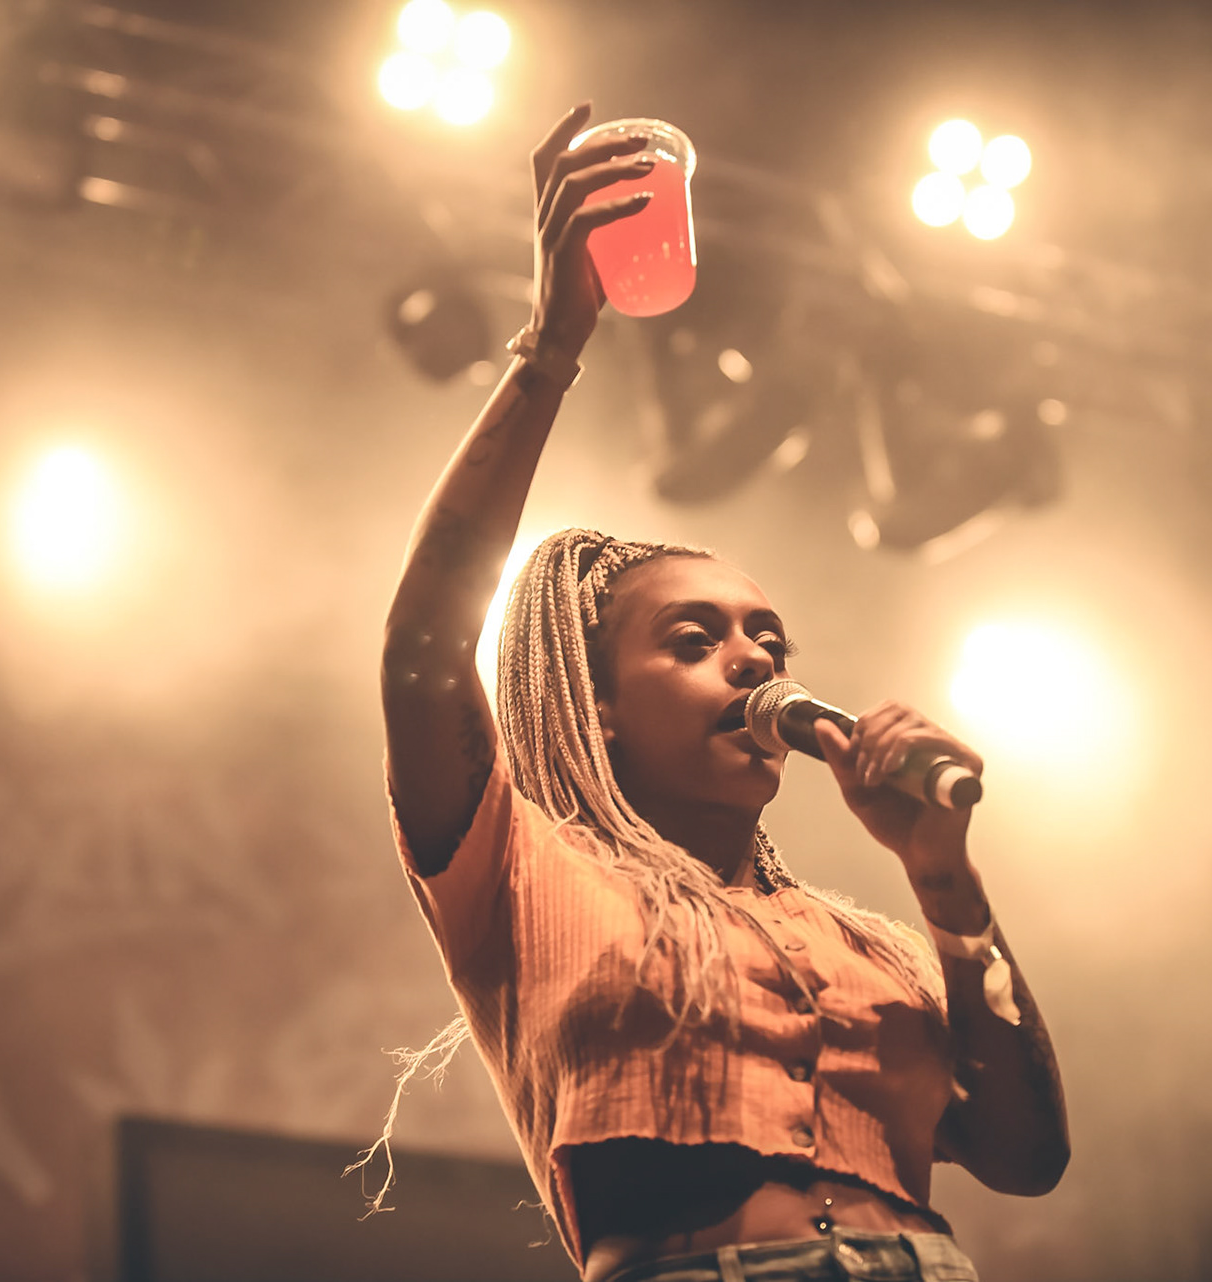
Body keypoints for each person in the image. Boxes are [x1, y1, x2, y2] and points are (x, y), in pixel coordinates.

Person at [376, 102, 1069, 1282]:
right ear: (596, 705)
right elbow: (422, 646)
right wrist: (550, 346)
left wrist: (944, 874)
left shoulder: (875, 941)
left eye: (769, 640)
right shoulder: (523, 871)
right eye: (694, 640)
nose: (753, 661)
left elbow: (1027, 1155)